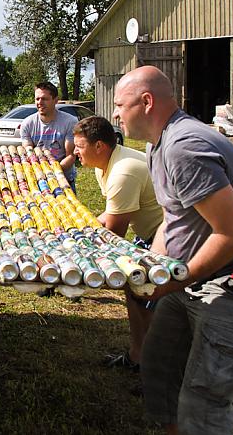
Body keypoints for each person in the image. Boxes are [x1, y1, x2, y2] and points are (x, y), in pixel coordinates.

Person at [113, 66, 233, 434]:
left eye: (119, 104)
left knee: (203, 398)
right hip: (198, 277)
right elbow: (173, 220)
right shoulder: (156, 145)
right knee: (159, 365)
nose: (114, 113)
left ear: (146, 102)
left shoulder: (184, 147)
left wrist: (173, 282)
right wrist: (149, 270)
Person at [72, 116, 163, 370]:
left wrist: (77, 254)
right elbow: (110, 215)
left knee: (153, 302)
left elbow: (114, 232)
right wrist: (81, 229)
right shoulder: (107, 164)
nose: (75, 151)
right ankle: (137, 356)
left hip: (165, 239)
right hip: (149, 235)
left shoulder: (123, 172)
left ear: (99, 146)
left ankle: (155, 367)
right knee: (135, 293)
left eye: (79, 146)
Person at [19, 82, 78, 193]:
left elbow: (70, 156)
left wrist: (52, 172)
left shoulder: (70, 122)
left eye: (44, 99)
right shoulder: (27, 124)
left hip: (64, 180)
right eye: (37, 99)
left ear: (56, 100)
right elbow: (29, 153)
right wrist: (43, 174)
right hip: (40, 181)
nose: (40, 103)